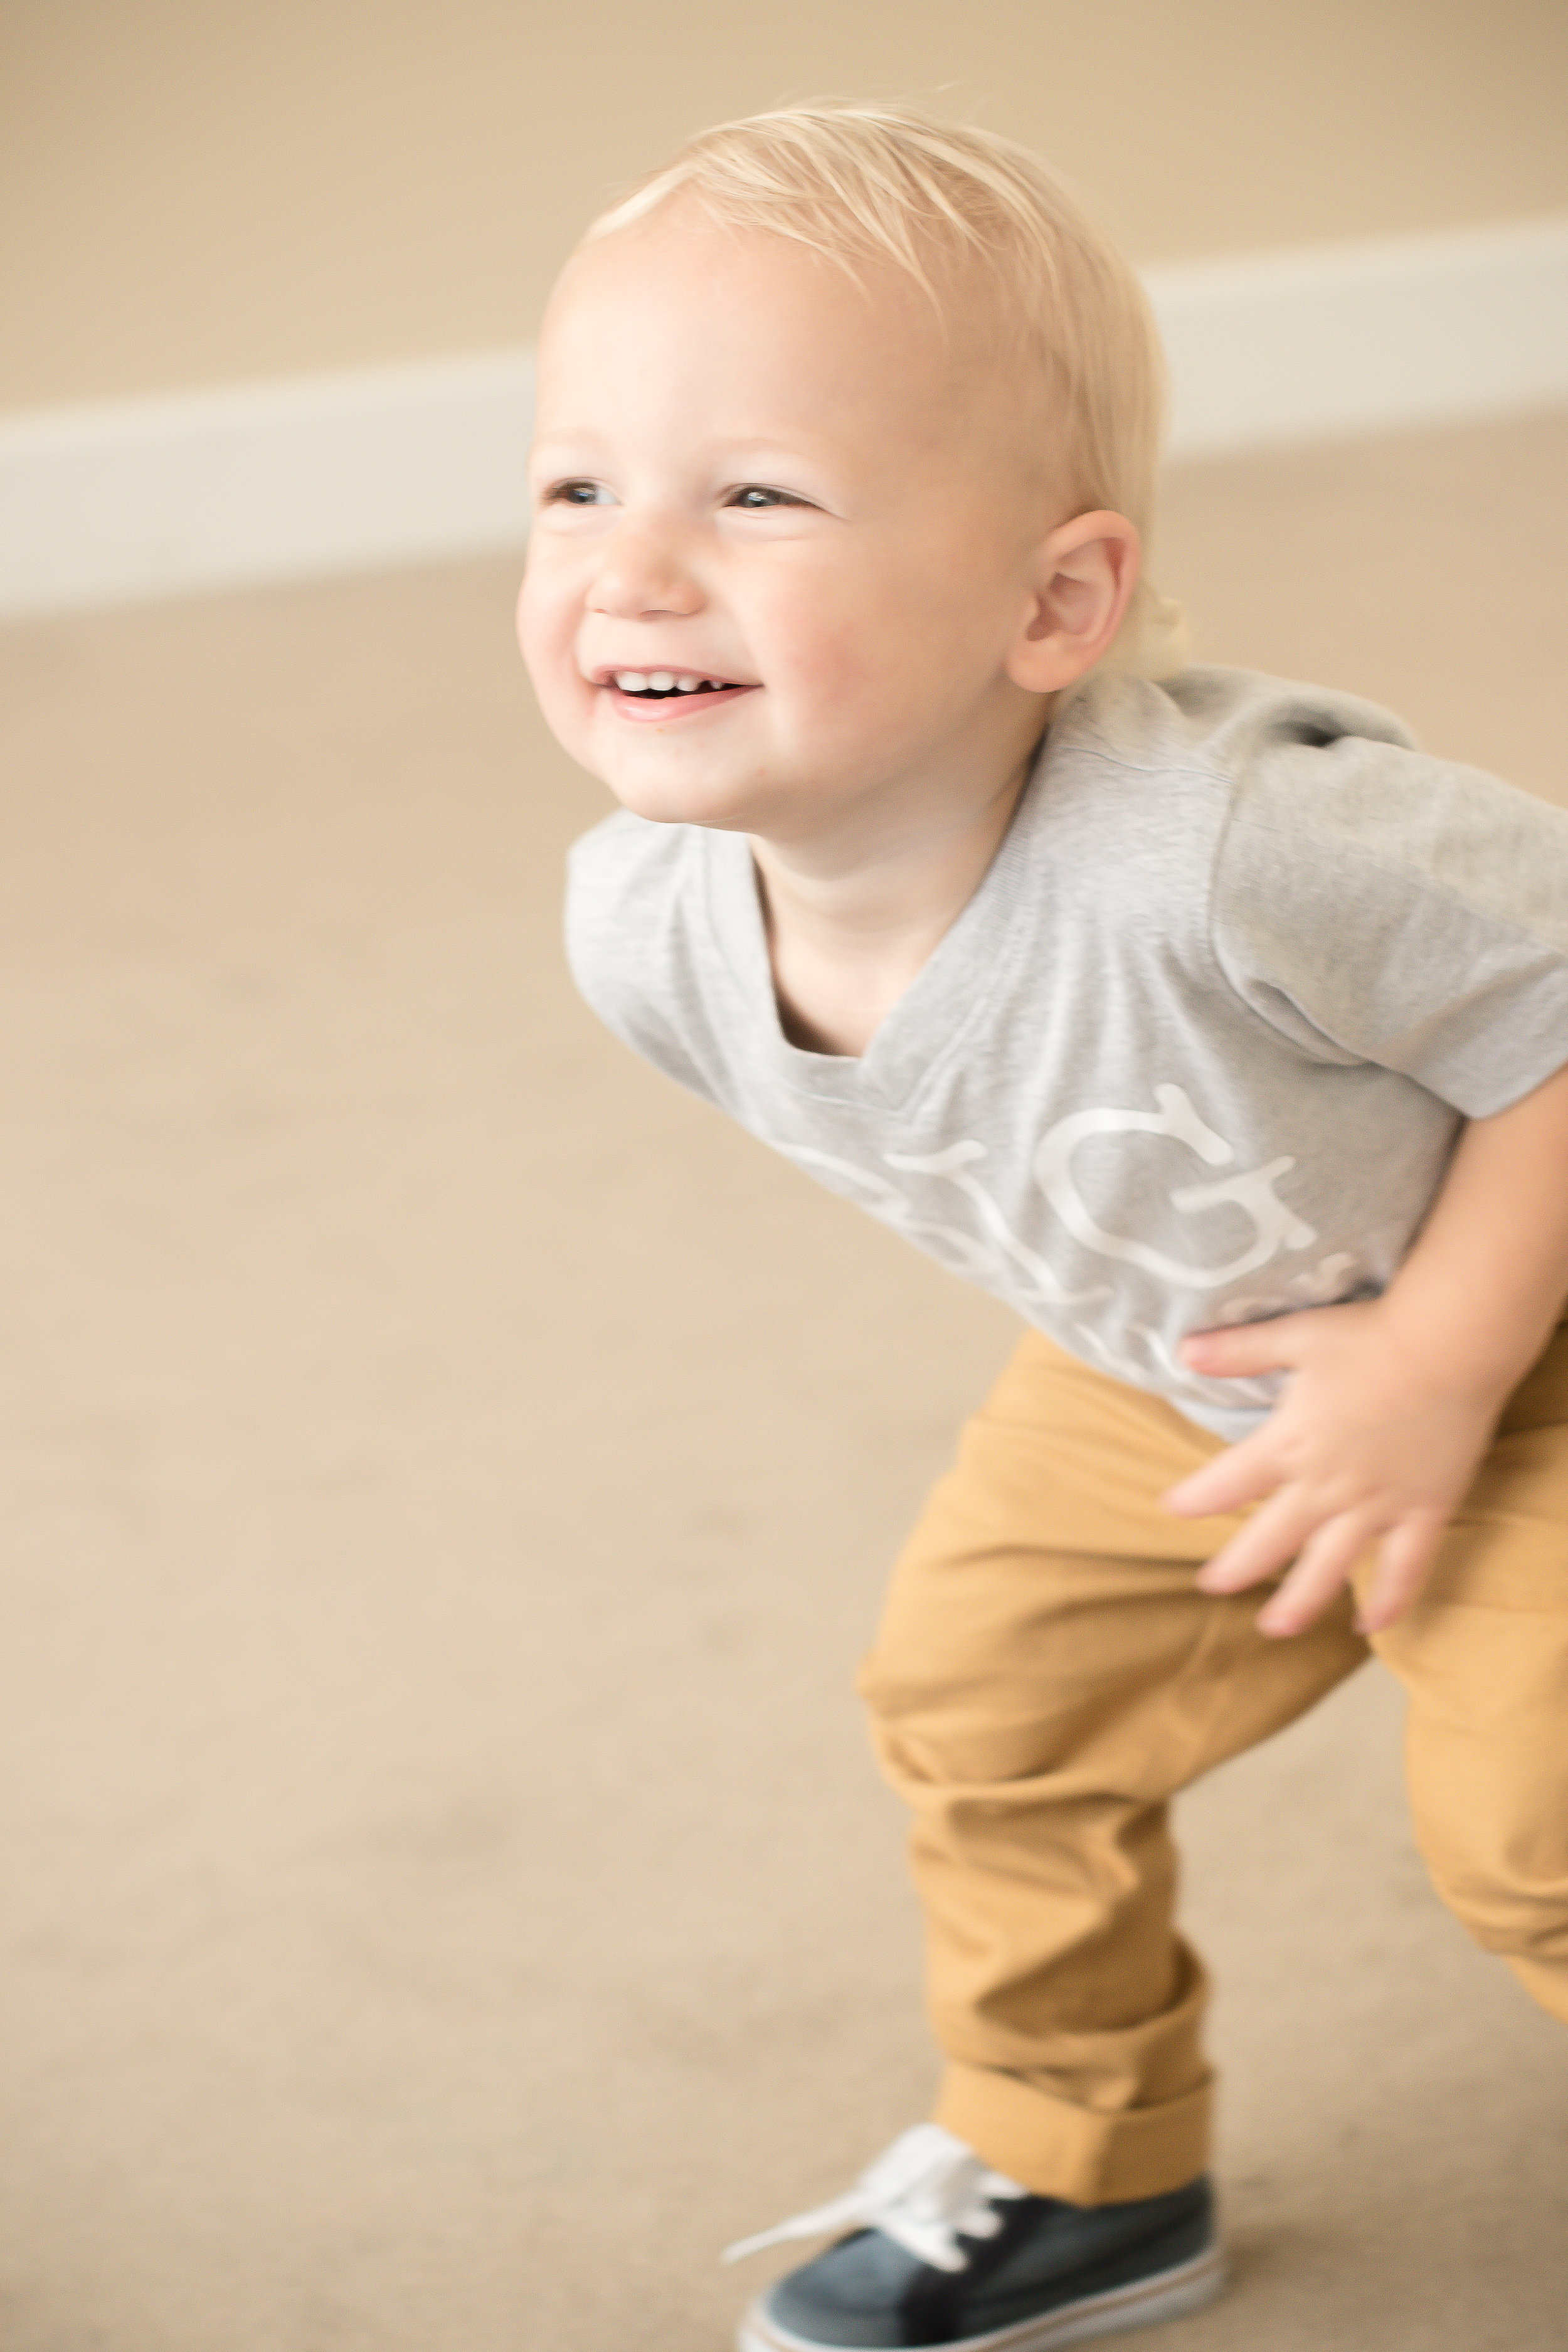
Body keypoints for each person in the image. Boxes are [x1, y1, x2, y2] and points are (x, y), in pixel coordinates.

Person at [516, 101, 1568, 2352]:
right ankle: (1086, 2161)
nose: (631, 566)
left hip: (1529, 1312)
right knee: (985, 1699)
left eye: (757, 494)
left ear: (1057, 601)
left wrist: (1441, 1365)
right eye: (578, 483)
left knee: (1537, 1820)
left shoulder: (1227, 848)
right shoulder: (644, 938)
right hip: (1194, 1352)